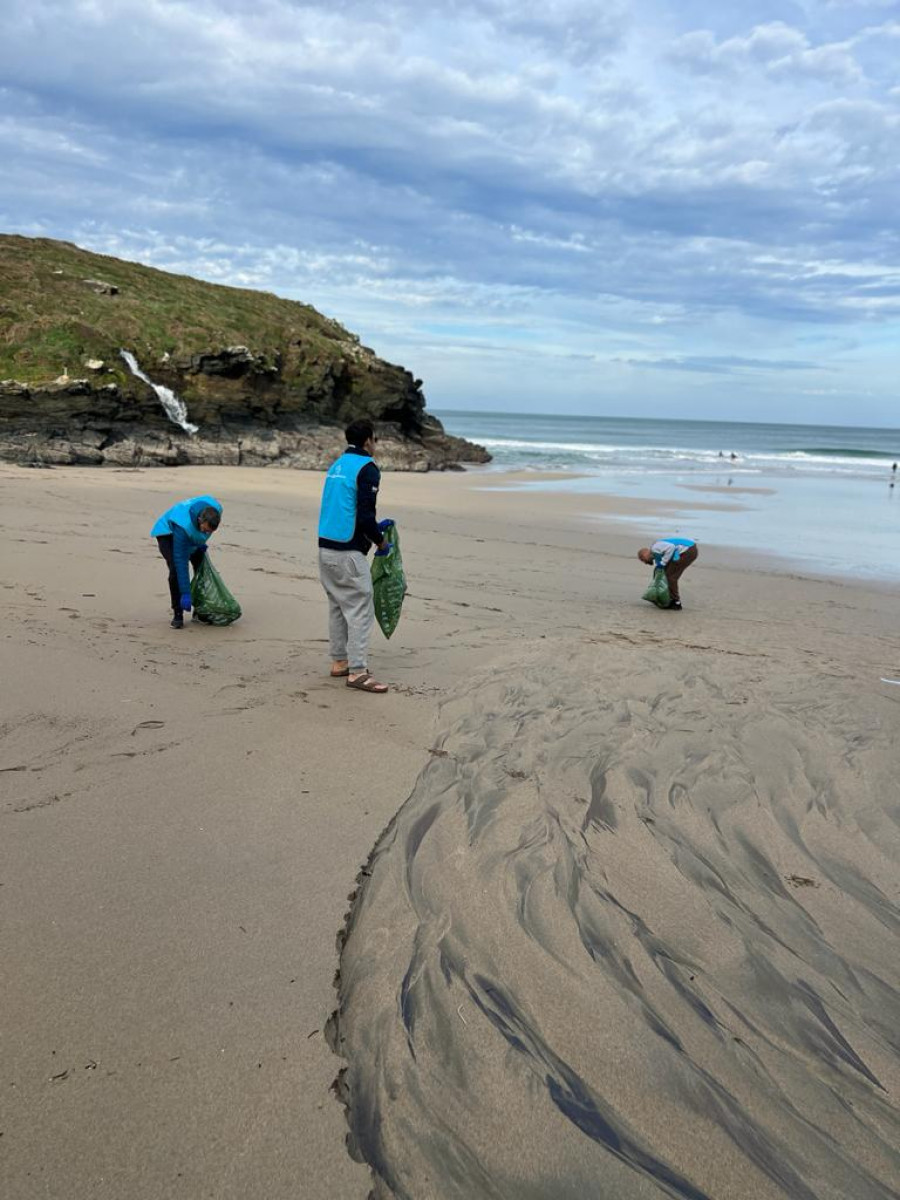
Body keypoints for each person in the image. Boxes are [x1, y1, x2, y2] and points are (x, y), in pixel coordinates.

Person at [318, 419, 393, 694]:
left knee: (338, 605)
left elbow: (345, 507)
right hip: (348, 551)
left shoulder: (337, 465)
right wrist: (380, 540)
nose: (376, 444)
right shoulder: (368, 468)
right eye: (375, 439)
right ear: (368, 441)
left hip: (325, 547)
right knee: (361, 607)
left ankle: (340, 661)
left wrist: (373, 530)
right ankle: (358, 671)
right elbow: (364, 514)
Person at [151, 495, 222, 628]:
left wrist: (200, 541)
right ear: (200, 520)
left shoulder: (216, 509)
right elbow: (181, 561)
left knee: (201, 564)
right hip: (168, 534)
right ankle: (178, 613)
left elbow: (203, 532)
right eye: (205, 530)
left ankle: (200, 609)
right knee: (175, 570)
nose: (206, 533)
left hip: (190, 532)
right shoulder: (183, 526)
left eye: (209, 532)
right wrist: (185, 593)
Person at [637, 536, 698, 611]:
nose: (645, 563)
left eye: (643, 560)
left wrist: (663, 562)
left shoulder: (655, 548)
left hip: (688, 551)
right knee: (666, 574)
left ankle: (676, 602)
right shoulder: (656, 553)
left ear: (645, 555)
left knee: (670, 577)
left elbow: (671, 547)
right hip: (688, 549)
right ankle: (668, 598)